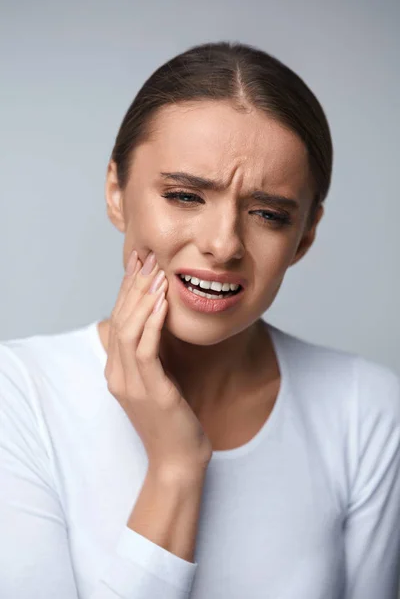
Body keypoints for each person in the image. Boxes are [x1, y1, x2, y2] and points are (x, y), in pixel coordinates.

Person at [0, 41, 399, 599]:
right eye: (185, 195)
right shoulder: (19, 397)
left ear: (305, 234)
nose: (222, 245)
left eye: (268, 213)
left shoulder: (370, 413)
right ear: (116, 192)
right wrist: (176, 467)